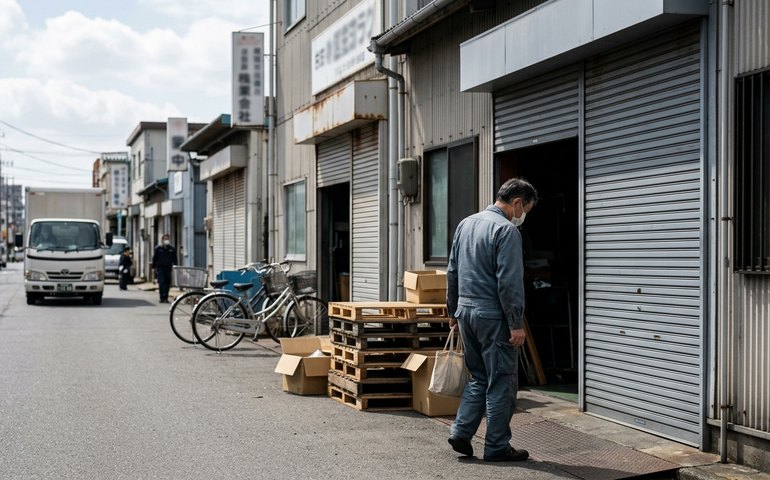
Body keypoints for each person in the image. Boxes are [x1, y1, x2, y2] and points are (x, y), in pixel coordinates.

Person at [446, 177, 538, 462]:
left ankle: (461, 432)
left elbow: (451, 271)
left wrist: (451, 312)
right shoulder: (506, 231)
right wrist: (515, 323)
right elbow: (509, 283)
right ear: (517, 203)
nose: (524, 217)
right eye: (527, 210)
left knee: (479, 376)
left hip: (465, 313)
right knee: (501, 381)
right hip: (493, 316)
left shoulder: (466, 223)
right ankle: (497, 446)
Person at [152, 234, 177, 303]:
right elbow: (154, 258)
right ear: (162, 240)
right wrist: (153, 268)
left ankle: (166, 297)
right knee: (161, 282)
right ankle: (161, 297)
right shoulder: (158, 248)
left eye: (167, 239)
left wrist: (175, 267)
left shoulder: (172, 249)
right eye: (165, 239)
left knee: (167, 283)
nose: (166, 240)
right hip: (160, 268)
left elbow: (175, 259)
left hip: (168, 268)